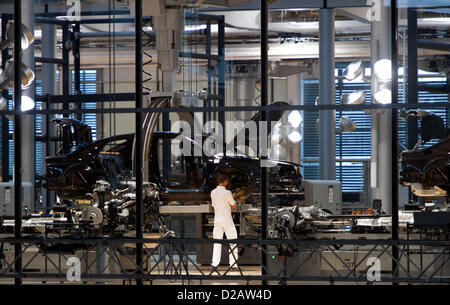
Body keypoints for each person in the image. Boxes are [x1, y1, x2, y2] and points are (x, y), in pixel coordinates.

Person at [210, 173, 239, 272]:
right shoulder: (227, 192)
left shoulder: (213, 192)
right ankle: (233, 265)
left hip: (217, 219)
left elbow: (213, 205)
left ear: (218, 181)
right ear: (226, 181)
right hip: (227, 220)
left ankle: (214, 264)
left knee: (217, 242)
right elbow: (234, 205)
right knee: (233, 241)